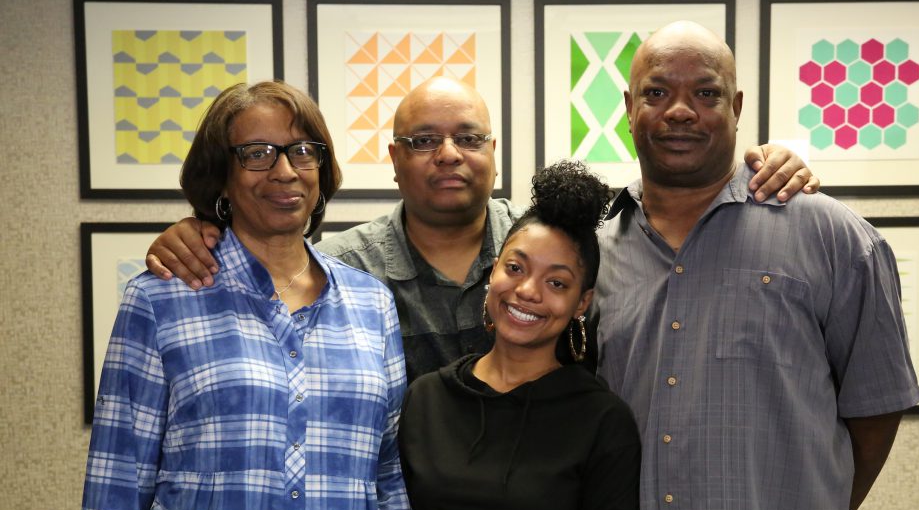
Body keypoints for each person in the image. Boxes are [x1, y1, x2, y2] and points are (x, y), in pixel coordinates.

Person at [594, 22, 919, 510]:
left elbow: (876, 409)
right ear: (629, 108)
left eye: (707, 93)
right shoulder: (592, 251)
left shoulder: (834, 237)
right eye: (657, 92)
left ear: (738, 107)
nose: (681, 111)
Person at [143, 77, 821, 385]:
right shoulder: (340, 273)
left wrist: (772, 159)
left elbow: (671, 206)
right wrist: (200, 228)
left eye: (468, 137)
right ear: (393, 157)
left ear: (494, 152)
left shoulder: (552, 245)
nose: (448, 155)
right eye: (423, 139)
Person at [74, 81, 417, 510]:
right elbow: (114, 507)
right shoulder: (160, 301)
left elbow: (389, 486)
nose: (284, 170)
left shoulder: (371, 305)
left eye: (303, 150)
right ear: (222, 177)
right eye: (257, 153)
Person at [399, 160, 640, 510]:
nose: (528, 291)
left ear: (582, 302)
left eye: (557, 282)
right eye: (516, 268)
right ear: (493, 272)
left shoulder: (600, 417)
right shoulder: (427, 398)